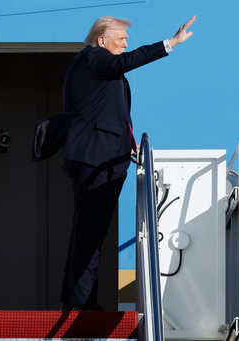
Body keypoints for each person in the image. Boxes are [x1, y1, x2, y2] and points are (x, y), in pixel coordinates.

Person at [59, 15, 196, 311]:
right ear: (101, 41)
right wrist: (170, 43)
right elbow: (126, 62)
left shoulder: (95, 64)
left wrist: (129, 140)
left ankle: (78, 300)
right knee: (90, 233)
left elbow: (109, 109)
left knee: (89, 231)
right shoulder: (94, 58)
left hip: (101, 155)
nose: (125, 42)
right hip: (97, 158)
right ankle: (81, 305)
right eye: (120, 38)